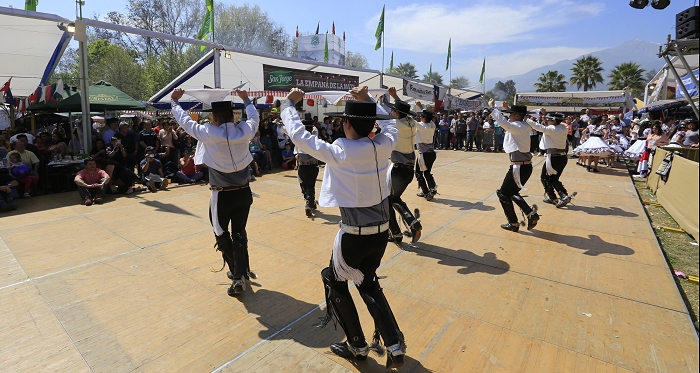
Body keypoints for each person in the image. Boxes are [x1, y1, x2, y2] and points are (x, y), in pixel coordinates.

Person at [281, 86, 406, 368]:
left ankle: (357, 344)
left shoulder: (341, 150)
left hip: (354, 237)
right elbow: (390, 124)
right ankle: (395, 342)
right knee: (367, 281)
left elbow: (299, 136)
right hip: (381, 233)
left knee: (334, 280)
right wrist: (368, 101)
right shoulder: (384, 144)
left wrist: (289, 104)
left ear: (346, 124)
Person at [171, 88, 259, 296]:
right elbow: (254, 116)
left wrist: (175, 101)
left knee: (221, 234)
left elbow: (185, 122)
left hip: (222, 196)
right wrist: (246, 98)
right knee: (239, 233)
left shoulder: (209, 133)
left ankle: (238, 278)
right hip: (244, 193)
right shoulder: (245, 130)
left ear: (214, 117)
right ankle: (243, 270)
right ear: (232, 115)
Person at [488, 98, 539, 232]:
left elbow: (504, 123)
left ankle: (514, 223)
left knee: (503, 193)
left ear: (517, 116)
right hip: (523, 166)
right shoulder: (522, 125)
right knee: (511, 192)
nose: (509, 115)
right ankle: (530, 214)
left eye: (511, 113)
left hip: (519, 167)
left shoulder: (518, 126)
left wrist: (492, 108)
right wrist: (506, 108)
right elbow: (510, 121)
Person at [386, 86, 422, 244]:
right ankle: (398, 231)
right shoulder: (411, 123)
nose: (392, 112)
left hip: (399, 168)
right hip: (408, 170)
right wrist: (395, 97)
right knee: (393, 198)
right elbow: (403, 110)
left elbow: (383, 114)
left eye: (393, 110)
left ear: (397, 113)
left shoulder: (395, 124)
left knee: (388, 200)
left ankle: (406, 227)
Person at [526, 112, 572, 208]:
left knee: (544, 178)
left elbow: (539, 127)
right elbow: (545, 127)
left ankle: (557, 197)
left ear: (554, 120)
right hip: (562, 157)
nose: (547, 121)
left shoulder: (552, 129)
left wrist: (526, 119)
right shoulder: (563, 127)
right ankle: (561, 196)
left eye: (549, 120)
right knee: (554, 179)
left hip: (554, 157)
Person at [295, 114, 321, 216]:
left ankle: (309, 204)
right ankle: (311, 201)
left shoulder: (308, 137)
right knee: (305, 186)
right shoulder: (304, 136)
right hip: (306, 165)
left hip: (309, 165)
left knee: (309, 185)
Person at [414, 104, 438, 201]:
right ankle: (431, 188)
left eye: (421, 116)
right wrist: (422, 108)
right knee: (427, 172)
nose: (420, 117)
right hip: (431, 153)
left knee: (419, 173)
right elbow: (429, 117)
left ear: (424, 118)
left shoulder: (420, 126)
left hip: (423, 154)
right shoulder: (432, 125)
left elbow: (409, 120)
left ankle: (426, 191)